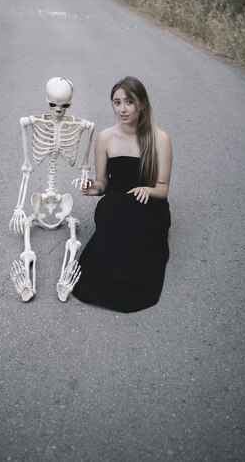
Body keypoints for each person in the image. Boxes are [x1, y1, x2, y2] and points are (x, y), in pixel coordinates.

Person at [72, 76, 173, 312]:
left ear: (142, 104)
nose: (122, 109)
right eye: (117, 102)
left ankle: (125, 284)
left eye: (129, 102)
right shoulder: (106, 138)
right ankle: (106, 278)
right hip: (116, 203)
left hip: (148, 205)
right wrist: (93, 189)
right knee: (112, 206)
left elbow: (163, 189)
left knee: (131, 222)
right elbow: (103, 182)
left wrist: (147, 189)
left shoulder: (160, 139)